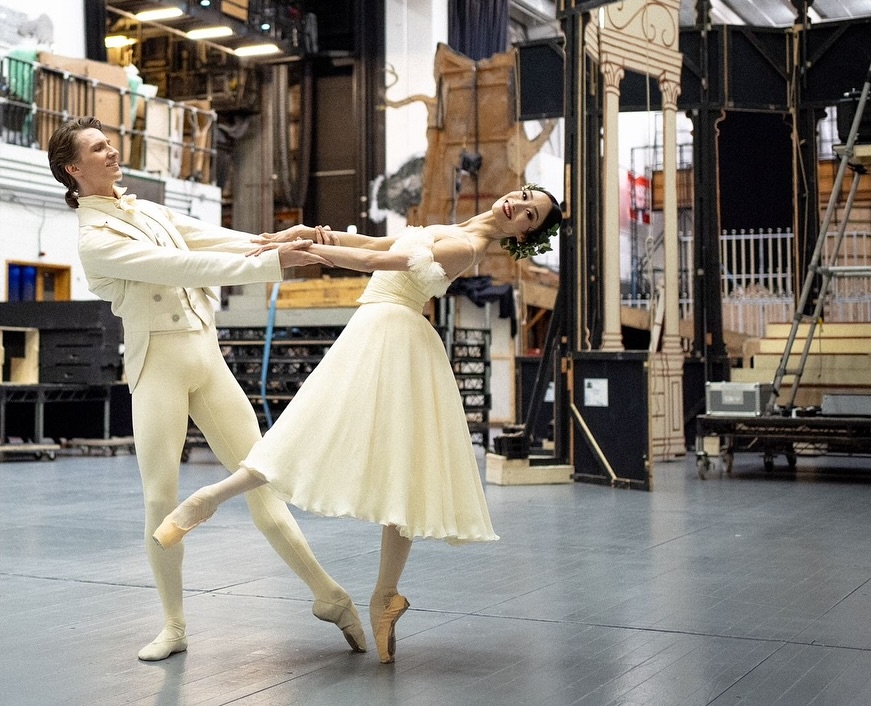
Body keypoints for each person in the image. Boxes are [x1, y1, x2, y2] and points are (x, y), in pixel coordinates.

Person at [154, 186, 563, 664]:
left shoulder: (465, 247)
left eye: (529, 214)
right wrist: (313, 234)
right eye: (524, 195)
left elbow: (375, 263)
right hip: (378, 328)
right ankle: (213, 502)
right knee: (315, 426)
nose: (518, 204)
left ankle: (215, 503)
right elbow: (373, 244)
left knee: (392, 465)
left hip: (395, 335)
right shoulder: (454, 229)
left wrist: (307, 252)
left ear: (523, 235)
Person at [46, 116, 367, 662]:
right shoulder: (94, 239)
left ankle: (329, 596)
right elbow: (181, 265)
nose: (113, 151)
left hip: (206, 357)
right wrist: (275, 261)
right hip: (158, 368)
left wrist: (277, 239)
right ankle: (173, 625)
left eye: (110, 143)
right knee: (160, 497)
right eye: (99, 148)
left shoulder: (147, 210)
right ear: (74, 169)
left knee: (261, 476)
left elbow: (213, 238)